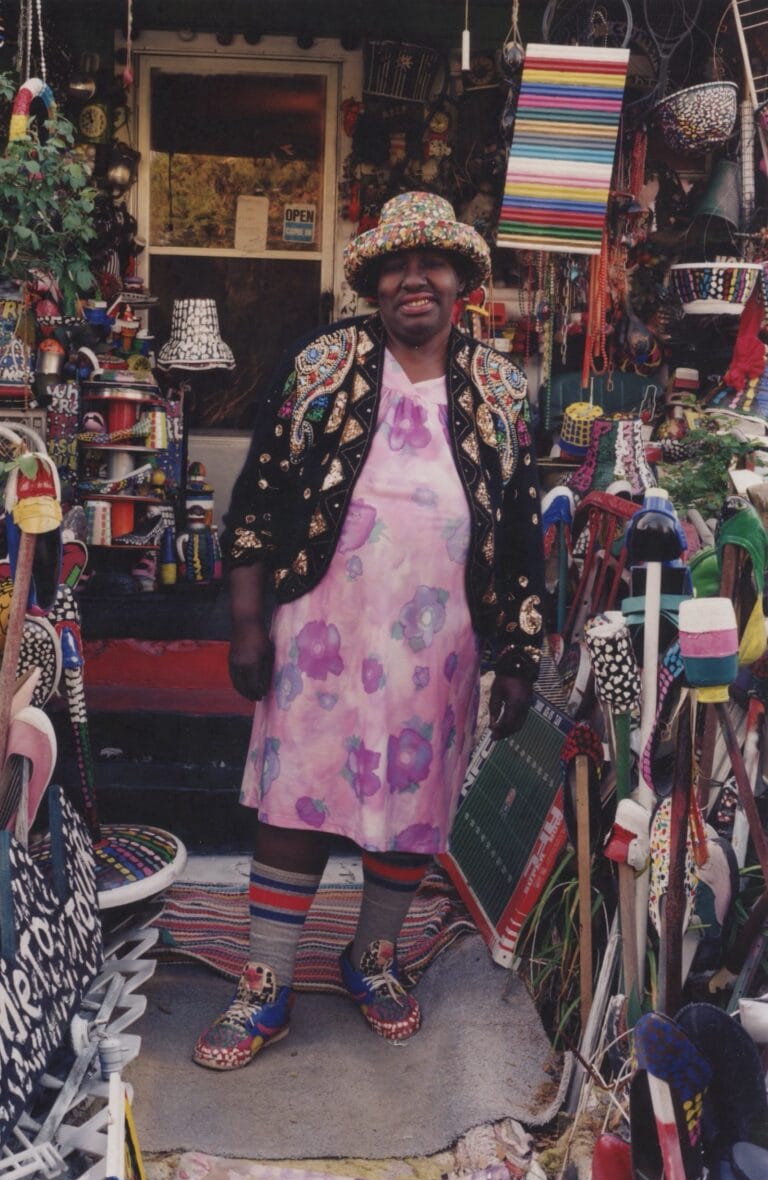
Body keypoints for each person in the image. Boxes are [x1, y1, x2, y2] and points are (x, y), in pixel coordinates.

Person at [193, 191, 546, 1071]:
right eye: (395, 263)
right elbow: (261, 500)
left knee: (417, 813)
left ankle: (372, 958)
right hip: (322, 632)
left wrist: (519, 655)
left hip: (443, 644)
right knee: (296, 800)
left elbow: (518, 531)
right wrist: (246, 624)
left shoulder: (502, 388)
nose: (413, 277)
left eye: (432, 262)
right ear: (375, 282)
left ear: (461, 279)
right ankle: (266, 982)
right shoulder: (323, 365)